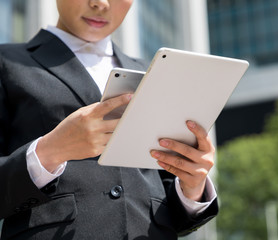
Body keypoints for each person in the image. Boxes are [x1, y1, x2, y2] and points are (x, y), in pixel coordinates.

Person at [0, 0, 218, 239]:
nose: (101, 3)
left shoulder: (156, 73)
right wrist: (49, 152)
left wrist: (193, 186)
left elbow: (169, 199)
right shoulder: (7, 62)